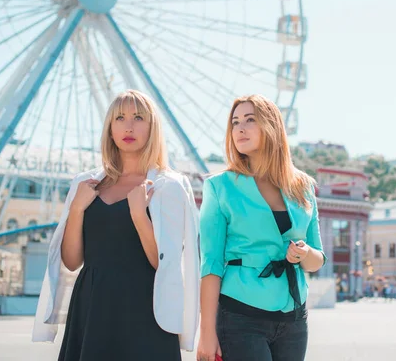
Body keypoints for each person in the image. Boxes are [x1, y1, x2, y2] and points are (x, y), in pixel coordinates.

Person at [32, 90, 200, 360]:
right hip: (92, 303)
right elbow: (72, 261)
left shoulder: (168, 185)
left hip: (146, 307)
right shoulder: (85, 183)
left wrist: (138, 215)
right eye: (120, 117)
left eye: (138, 118)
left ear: (153, 127)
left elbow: (163, 263)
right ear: (110, 128)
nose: (129, 126)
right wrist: (76, 208)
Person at [197, 95, 327, 361]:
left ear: (272, 127)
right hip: (240, 315)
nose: (239, 129)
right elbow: (210, 264)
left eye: (249, 120)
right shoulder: (219, 187)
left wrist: (304, 253)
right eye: (235, 123)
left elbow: (317, 260)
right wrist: (206, 332)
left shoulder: (303, 187)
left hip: (294, 318)